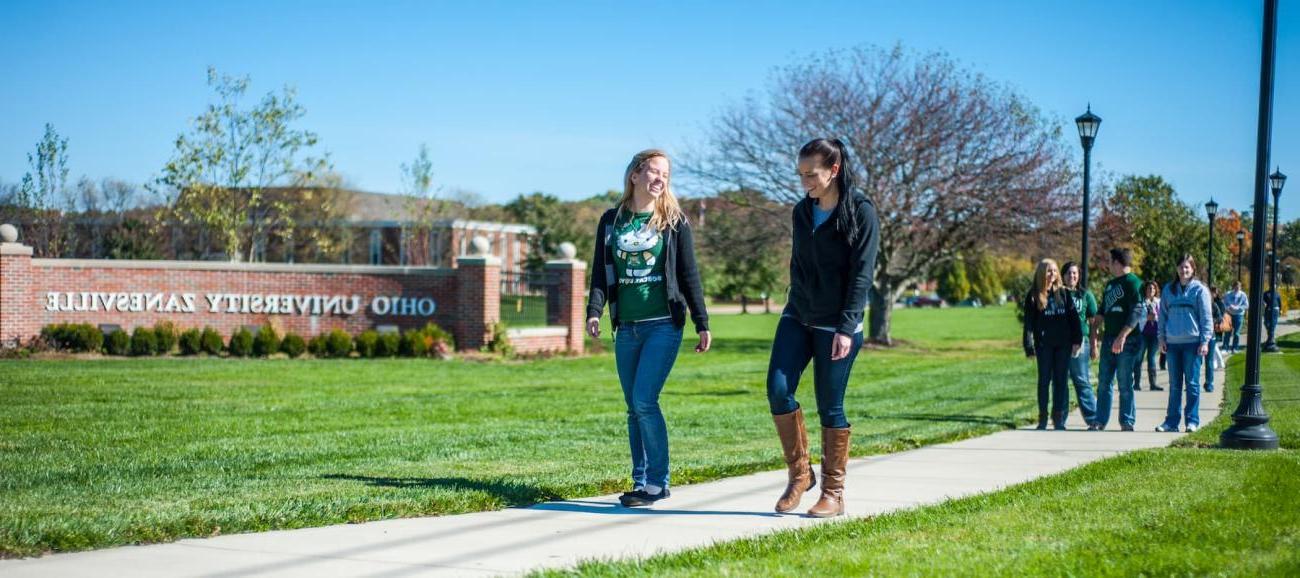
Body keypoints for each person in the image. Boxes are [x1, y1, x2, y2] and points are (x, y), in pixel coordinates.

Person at [585, 149, 711, 507]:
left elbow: (689, 276)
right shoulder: (612, 220)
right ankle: (640, 482)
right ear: (635, 175)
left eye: (666, 175)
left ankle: (657, 483)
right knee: (632, 406)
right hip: (627, 327)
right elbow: (599, 272)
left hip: (663, 325)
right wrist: (595, 311)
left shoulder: (674, 221)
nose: (660, 179)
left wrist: (702, 322)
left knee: (644, 400)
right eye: (654, 172)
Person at [767, 138, 879, 518]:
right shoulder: (802, 212)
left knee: (830, 405)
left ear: (833, 170)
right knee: (778, 390)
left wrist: (847, 327)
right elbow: (798, 263)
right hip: (799, 314)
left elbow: (861, 275)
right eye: (800, 175)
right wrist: (796, 301)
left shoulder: (861, 212)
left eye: (810, 175)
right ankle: (801, 475)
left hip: (838, 323)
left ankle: (834, 492)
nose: (804, 183)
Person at [1022, 259, 1082, 430]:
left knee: (1061, 381)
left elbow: (1074, 319)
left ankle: (1058, 418)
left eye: (1055, 271)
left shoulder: (1063, 293)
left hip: (1063, 344)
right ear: (1042, 273)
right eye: (1049, 271)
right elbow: (1029, 324)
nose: (1053, 274)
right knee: (1044, 381)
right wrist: (1028, 345)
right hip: (1044, 345)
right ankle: (1042, 418)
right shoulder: (1033, 296)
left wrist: (1077, 340)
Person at [1156, 254, 1213, 433]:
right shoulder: (1168, 290)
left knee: (1192, 384)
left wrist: (1205, 341)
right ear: (1177, 269)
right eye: (1181, 267)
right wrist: (1161, 338)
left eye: (1187, 267)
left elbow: (1206, 318)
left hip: (1193, 344)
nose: (1183, 270)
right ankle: (1171, 422)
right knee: (1174, 385)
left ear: (1193, 269)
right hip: (1172, 344)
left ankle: (1192, 420)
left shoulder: (1200, 290)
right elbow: (1162, 317)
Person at [1094, 248, 1146, 431]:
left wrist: (1122, 336)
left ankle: (1127, 421)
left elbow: (1136, 312)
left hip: (1127, 341)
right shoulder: (1110, 285)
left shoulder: (1134, 283)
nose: (1108, 264)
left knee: (1124, 382)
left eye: (1110, 261)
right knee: (1104, 382)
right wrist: (1094, 330)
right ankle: (1099, 420)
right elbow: (1102, 310)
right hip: (1108, 338)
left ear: (1116, 262)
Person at [1061, 261, 1098, 426]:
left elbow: (1093, 322)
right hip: (1060, 343)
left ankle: (1093, 419)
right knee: (1060, 382)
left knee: (1082, 380)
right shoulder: (1057, 294)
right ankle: (1059, 420)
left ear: (1079, 276)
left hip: (1080, 343)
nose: (1072, 276)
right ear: (1063, 276)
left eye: (1075, 273)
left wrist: (1094, 344)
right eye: (1069, 273)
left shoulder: (1085, 295)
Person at [1131, 280, 1163, 392]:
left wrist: (1156, 318)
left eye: (1153, 288)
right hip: (1143, 333)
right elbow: (1136, 317)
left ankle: (1153, 384)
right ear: (1145, 290)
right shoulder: (1141, 302)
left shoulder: (1159, 302)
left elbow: (1163, 317)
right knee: (1139, 358)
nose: (1151, 290)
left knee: (1151, 358)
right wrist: (1146, 318)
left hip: (1154, 334)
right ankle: (1136, 384)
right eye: (1149, 288)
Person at [1205, 286, 1227, 393]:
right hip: (1195, 336)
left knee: (1209, 361)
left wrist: (1212, 320)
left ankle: (1209, 383)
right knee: (1194, 362)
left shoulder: (1213, 305)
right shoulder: (1195, 305)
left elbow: (1219, 317)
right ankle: (1191, 384)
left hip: (1210, 336)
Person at [1224, 281, 1248, 352]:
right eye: (1236, 287)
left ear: (1240, 287)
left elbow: (1246, 305)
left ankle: (1235, 348)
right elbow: (1224, 303)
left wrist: (1238, 308)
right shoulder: (1228, 294)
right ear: (1233, 287)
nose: (1237, 288)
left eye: (1238, 287)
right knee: (1227, 332)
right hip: (1229, 314)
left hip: (1239, 315)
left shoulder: (1243, 295)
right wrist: (1228, 307)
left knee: (1236, 333)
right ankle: (1225, 347)